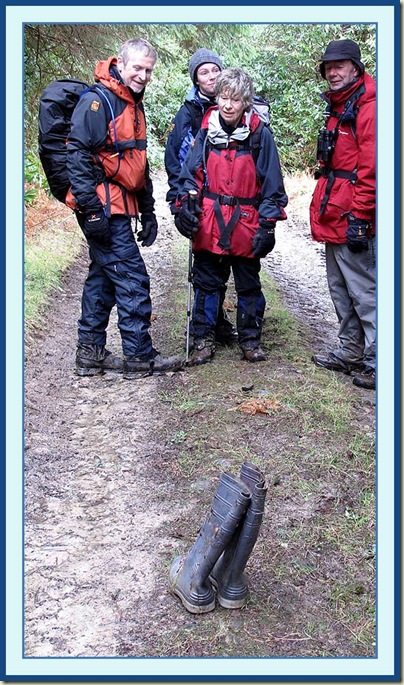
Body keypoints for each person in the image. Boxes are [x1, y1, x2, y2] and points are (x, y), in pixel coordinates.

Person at [65, 38, 183, 378]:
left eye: (149, 70)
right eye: (138, 68)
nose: (143, 76)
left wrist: (147, 211)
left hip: (119, 206)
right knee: (132, 278)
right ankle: (139, 356)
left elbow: (137, 164)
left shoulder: (132, 102)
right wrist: (91, 211)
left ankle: (90, 353)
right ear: (121, 63)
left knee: (104, 278)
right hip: (102, 208)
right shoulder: (98, 101)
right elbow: (77, 155)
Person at [174, 67, 288, 365]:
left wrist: (268, 225)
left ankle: (250, 340)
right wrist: (184, 207)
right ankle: (203, 338)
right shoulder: (206, 131)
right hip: (210, 219)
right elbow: (191, 175)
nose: (227, 105)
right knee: (206, 281)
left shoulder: (260, 135)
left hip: (247, 222)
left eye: (235, 100)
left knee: (248, 283)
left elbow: (272, 185)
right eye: (223, 97)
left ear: (245, 102)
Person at [310, 39, 376, 390]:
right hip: (335, 211)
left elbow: (372, 169)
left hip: (355, 215)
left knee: (365, 290)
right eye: (328, 68)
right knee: (340, 288)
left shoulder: (370, 106)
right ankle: (351, 351)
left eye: (339, 66)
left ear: (355, 67)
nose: (332, 73)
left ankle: (380, 361)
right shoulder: (341, 104)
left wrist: (361, 218)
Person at [165, 48, 238, 347]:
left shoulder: (235, 106)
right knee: (207, 265)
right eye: (203, 72)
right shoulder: (188, 114)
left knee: (227, 261)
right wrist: (179, 203)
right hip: (200, 199)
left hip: (231, 200)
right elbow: (175, 160)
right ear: (195, 79)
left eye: (214, 70)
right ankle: (204, 327)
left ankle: (216, 320)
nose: (211, 77)